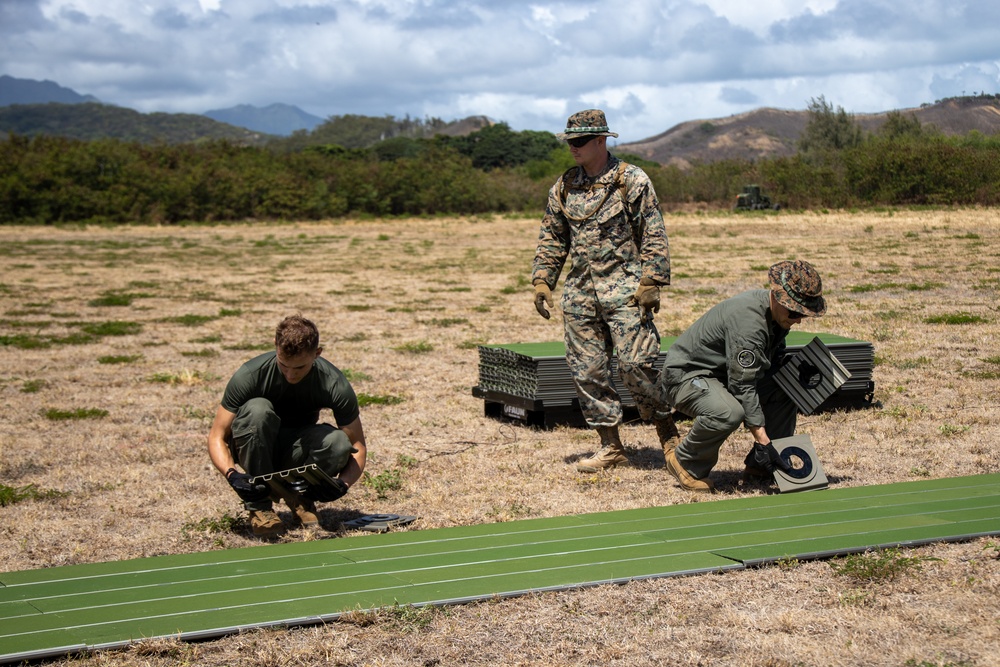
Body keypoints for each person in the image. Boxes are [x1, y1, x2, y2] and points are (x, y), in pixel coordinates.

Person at [532, 108, 679, 472]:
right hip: (581, 294)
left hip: (626, 291)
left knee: (636, 365)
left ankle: (669, 436)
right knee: (588, 371)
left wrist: (652, 281)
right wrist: (542, 280)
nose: (574, 148)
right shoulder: (564, 186)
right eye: (570, 141)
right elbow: (553, 236)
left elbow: (654, 233)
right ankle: (610, 445)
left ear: (602, 140)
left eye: (581, 141)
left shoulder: (632, 181)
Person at [657, 260, 827, 493]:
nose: (798, 319)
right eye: (795, 311)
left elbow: (764, 366)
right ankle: (686, 462)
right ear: (778, 298)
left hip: (722, 375)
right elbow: (742, 384)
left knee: (786, 389)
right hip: (686, 376)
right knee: (728, 412)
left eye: (804, 315)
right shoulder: (750, 323)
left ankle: (763, 465)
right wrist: (762, 439)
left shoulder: (778, 315)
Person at [207, 315, 367, 536]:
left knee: (338, 442)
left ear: (317, 354)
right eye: (283, 365)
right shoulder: (250, 375)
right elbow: (217, 435)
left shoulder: (333, 383)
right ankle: (260, 508)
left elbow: (358, 446)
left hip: (294, 451)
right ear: (275, 346)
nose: (290, 374)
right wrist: (232, 474)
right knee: (258, 410)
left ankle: (300, 498)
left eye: (299, 368)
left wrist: (343, 485)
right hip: (253, 446)